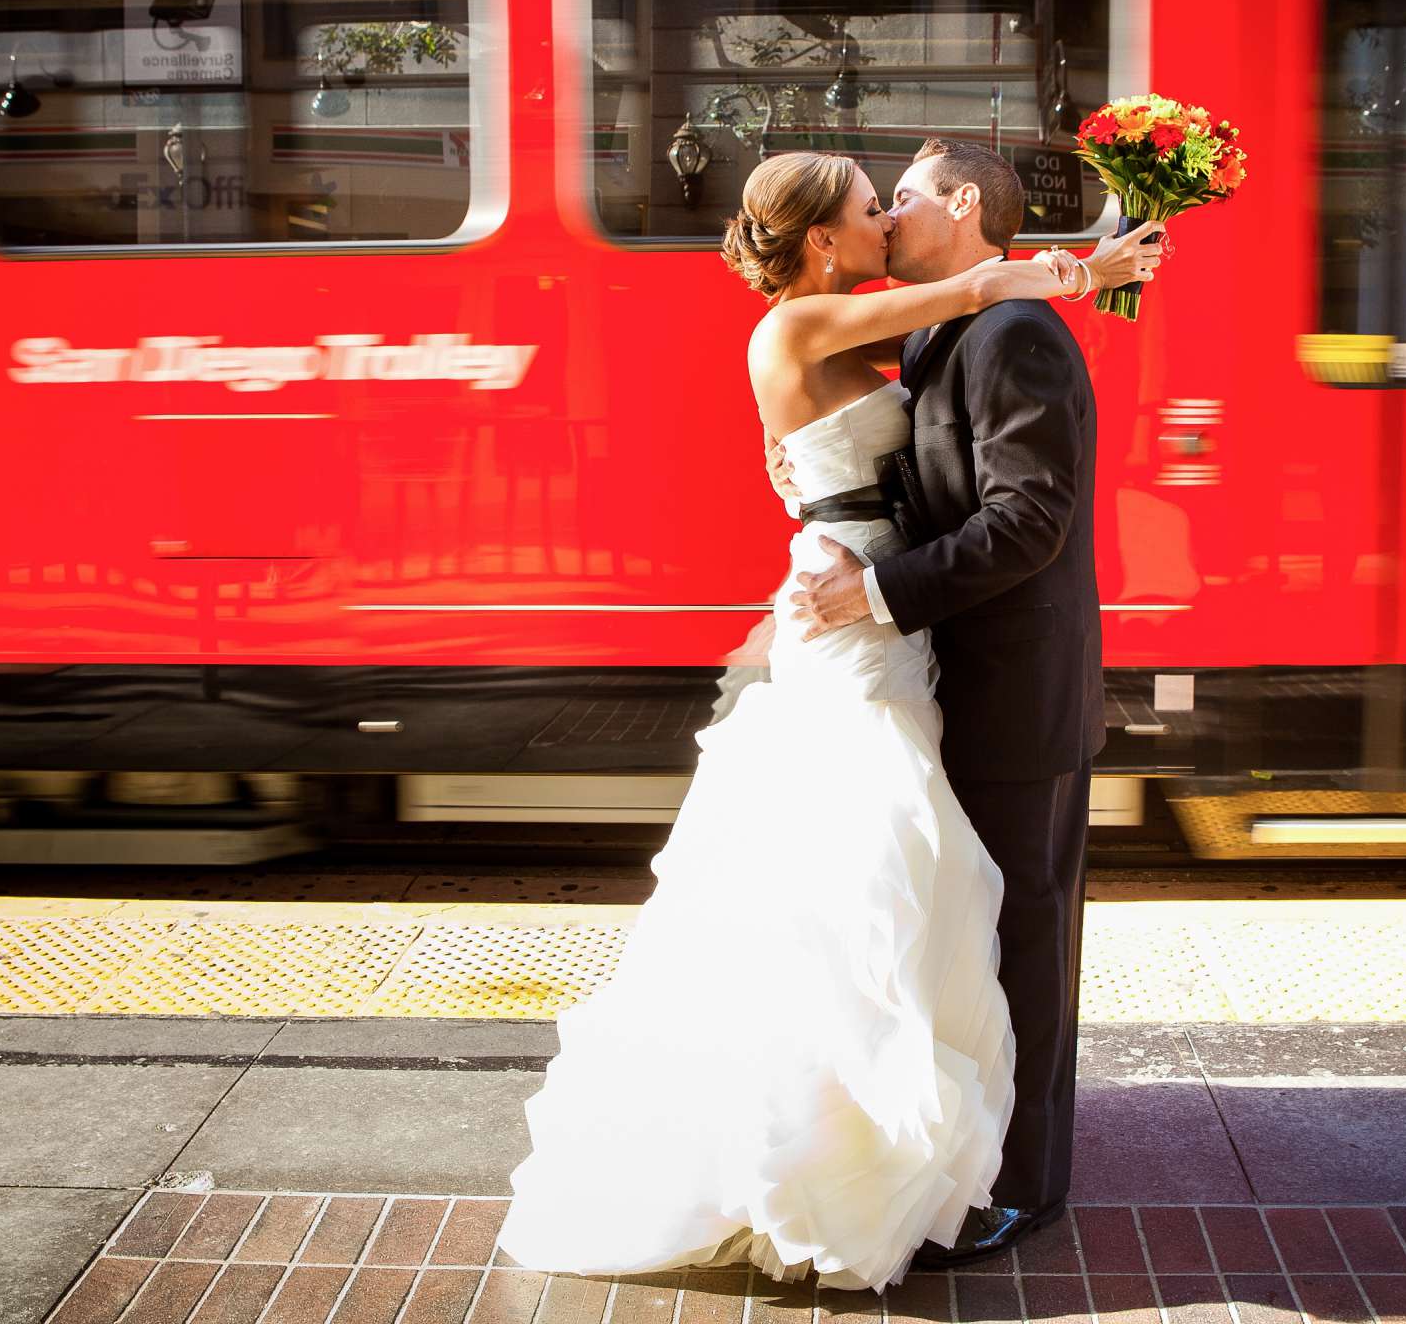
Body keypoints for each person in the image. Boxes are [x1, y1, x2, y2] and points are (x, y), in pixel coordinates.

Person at [497, 149, 1160, 1291]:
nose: (886, 218)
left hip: (904, 626)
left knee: (920, 887)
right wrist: (1092, 263)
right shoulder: (817, 327)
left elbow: (976, 439)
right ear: (824, 242)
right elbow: (963, 296)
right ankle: (864, 1129)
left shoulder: (883, 329)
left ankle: (963, 1149)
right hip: (861, 621)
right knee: (868, 879)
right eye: (871, 206)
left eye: (898, 199)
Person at [786, 138, 1118, 1267]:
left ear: (964, 205)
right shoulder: (937, 326)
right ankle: (978, 1150)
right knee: (973, 933)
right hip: (952, 677)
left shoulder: (1012, 331)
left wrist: (873, 589)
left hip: (1018, 689)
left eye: (907, 197)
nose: (891, 217)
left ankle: (1027, 1187)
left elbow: (1029, 521)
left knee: (1024, 935)